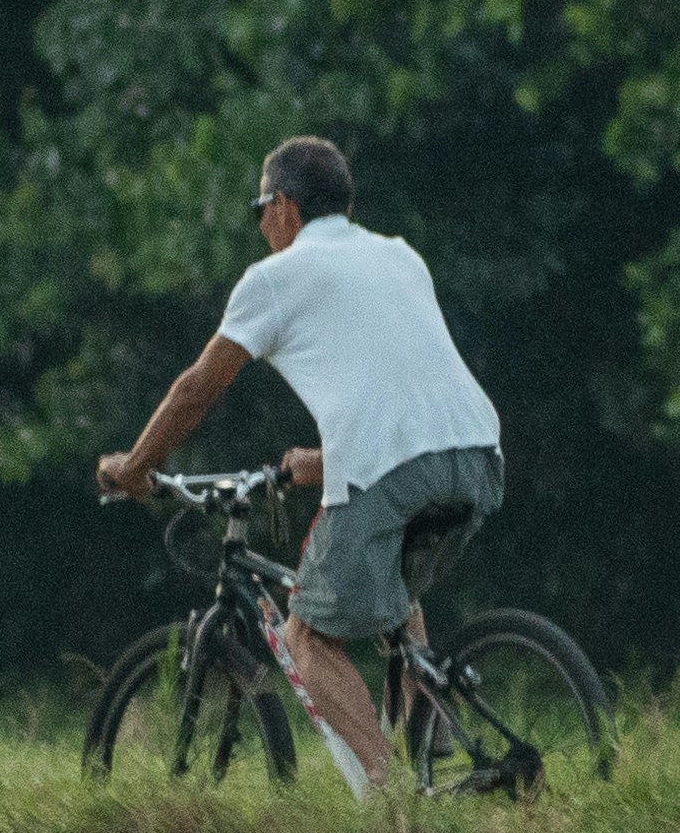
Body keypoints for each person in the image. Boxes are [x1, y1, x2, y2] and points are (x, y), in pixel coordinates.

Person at [95, 135, 502, 799]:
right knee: (397, 601)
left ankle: (395, 808)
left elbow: (196, 388)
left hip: (394, 466)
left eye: (259, 205)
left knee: (306, 636)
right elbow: (401, 380)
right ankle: (439, 749)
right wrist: (326, 458)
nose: (259, 224)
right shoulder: (398, 256)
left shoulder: (274, 280)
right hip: (478, 454)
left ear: (283, 203)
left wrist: (136, 467)